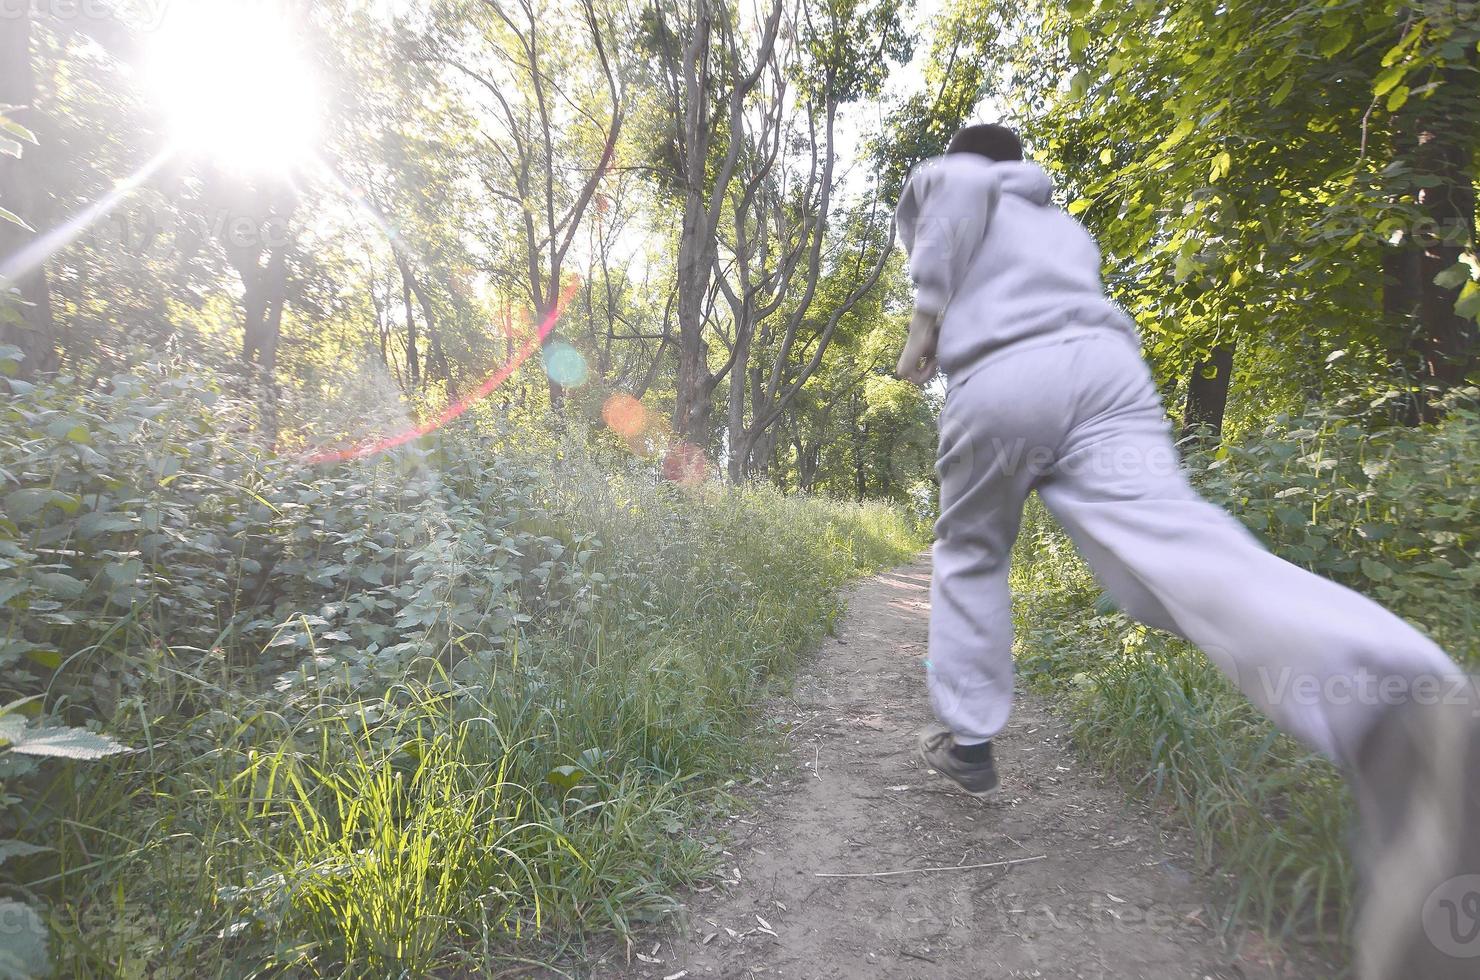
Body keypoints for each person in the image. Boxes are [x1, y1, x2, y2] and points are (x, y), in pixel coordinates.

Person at [892, 122, 1479, 980]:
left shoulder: (952, 176)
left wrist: (924, 322)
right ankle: (1398, 695)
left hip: (1004, 379)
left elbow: (947, 203)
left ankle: (971, 742)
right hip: (1107, 378)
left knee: (971, 553)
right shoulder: (1062, 223)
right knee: (1174, 556)